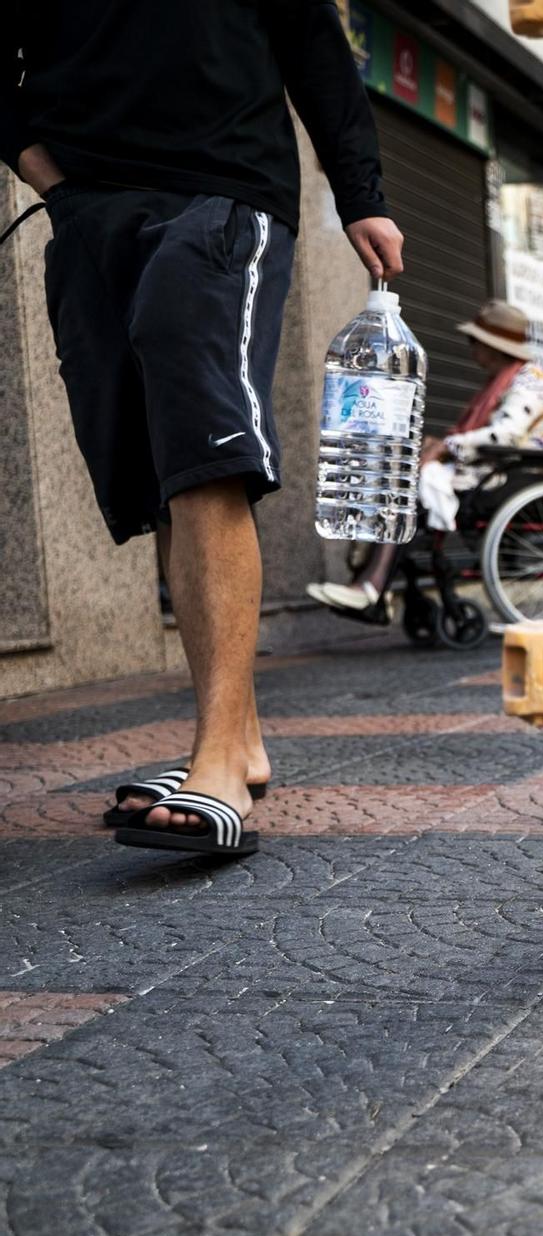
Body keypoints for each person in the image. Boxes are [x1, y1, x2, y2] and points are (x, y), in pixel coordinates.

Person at [1, 3, 403, 858]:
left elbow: (317, 57)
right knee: (155, 473)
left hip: (224, 194)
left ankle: (217, 757)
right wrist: (55, 186)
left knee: (206, 458)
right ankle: (242, 741)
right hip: (87, 214)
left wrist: (363, 197)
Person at [306, 300, 543, 614]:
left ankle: (373, 584)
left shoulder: (530, 380)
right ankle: (371, 583)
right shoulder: (500, 381)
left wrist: (448, 446)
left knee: (409, 487)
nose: (471, 349)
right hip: (486, 467)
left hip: (509, 472)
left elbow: (505, 434)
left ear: (494, 347)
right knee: (400, 478)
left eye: (474, 342)